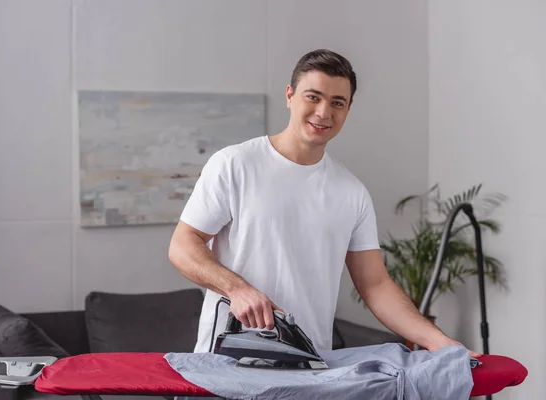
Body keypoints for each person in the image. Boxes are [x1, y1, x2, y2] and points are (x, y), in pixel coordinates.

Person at [168, 48, 480, 359]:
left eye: (337, 103)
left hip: (309, 367)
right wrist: (236, 288)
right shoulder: (234, 164)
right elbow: (183, 246)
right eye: (313, 97)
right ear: (290, 95)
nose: (323, 112)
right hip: (225, 363)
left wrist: (438, 341)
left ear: (348, 109)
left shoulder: (351, 192)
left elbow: (375, 285)